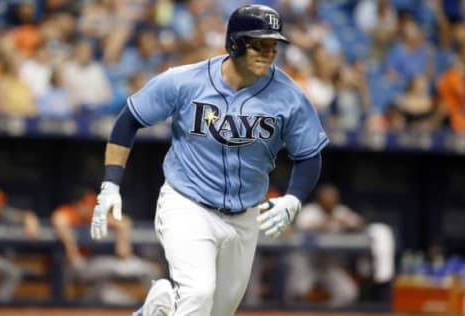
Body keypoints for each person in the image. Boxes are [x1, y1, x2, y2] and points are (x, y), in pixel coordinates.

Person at [90, 4, 328, 316]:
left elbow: (309, 154)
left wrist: (294, 199)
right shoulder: (186, 81)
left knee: (217, 312)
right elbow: (128, 120)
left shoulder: (289, 96)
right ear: (234, 43)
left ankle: (153, 312)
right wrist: (110, 185)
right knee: (198, 295)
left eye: (273, 46)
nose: (268, 53)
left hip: (245, 217)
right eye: (258, 44)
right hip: (188, 203)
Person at [52, 187, 161, 305]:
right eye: (87, 204)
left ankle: (153, 304)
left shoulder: (93, 215)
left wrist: (123, 244)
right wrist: (71, 249)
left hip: (89, 267)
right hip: (69, 268)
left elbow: (123, 221)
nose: (91, 208)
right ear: (78, 204)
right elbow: (59, 219)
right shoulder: (68, 213)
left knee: (114, 295)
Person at [285, 183, 364, 307]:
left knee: (349, 293)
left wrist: (349, 225)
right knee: (298, 293)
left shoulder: (341, 211)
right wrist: (327, 223)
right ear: (320, 200)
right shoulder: (310, 211)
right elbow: (302, 228)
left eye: (333, 199)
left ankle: (326, 312)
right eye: (327, 199)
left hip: (329, 265)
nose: (331, 202)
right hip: (307, 263)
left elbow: (359, 224)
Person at [0, 186, 40, 302]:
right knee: (12, 272)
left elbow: (27, 215)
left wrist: (31, 223)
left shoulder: (3, 213)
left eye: (1, 201)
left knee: (13, 272)